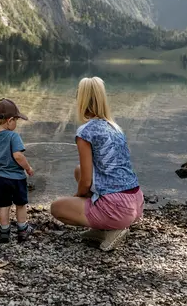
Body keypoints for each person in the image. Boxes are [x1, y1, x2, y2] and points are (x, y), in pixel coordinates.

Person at [50, 77, 143, 251]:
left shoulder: (85, 132)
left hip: (117, 209)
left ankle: (111, 228)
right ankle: (101, 228)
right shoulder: (114, 127)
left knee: (56, 207)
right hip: (136, 202)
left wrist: (77, 196)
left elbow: (85, 181)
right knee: (78, 170)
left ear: (81, 99)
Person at [0, 98, 35, 243]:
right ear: (9, 120)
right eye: (16, 120)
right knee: (20, 204)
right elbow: (18, 156)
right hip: (16, 178)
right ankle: (22, 229)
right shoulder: (13, 136)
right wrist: (28, 168)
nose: (16, 123)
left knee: (3, 206)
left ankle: (4, 232)